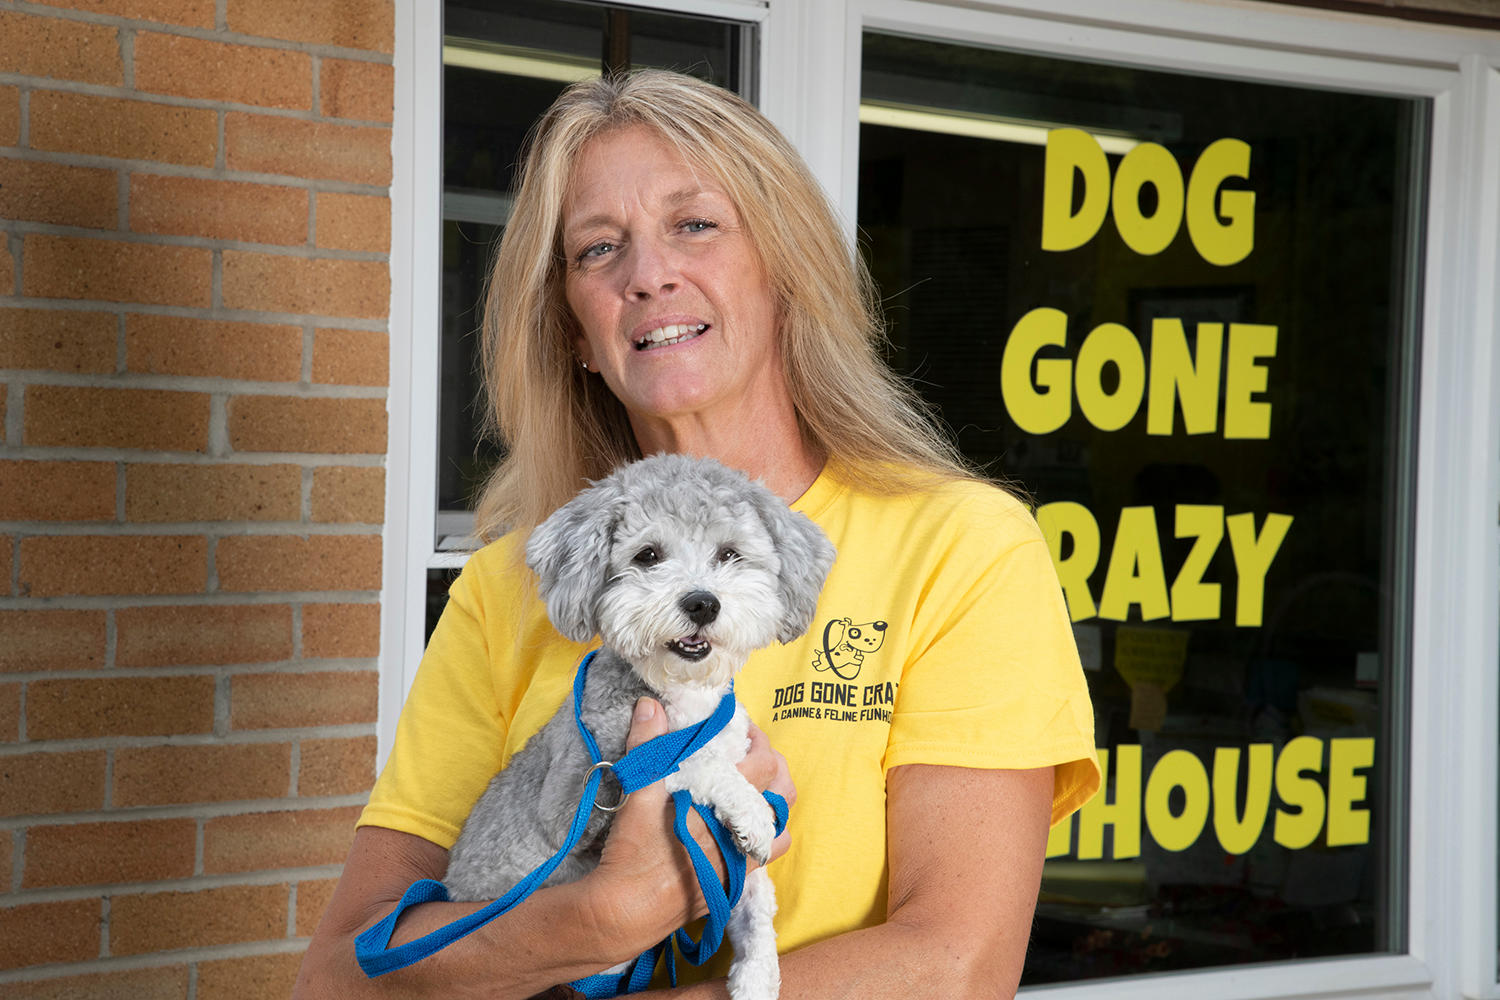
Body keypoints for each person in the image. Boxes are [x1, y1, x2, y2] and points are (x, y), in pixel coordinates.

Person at [293, 69, 1099, 1000]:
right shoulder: (507, 588)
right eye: (599, 249)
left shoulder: (960, 550)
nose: (648, 275)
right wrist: (603, 917)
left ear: (785, 268)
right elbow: (339, 978)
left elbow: (955, 967)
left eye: (695, 224)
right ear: (571, 331)